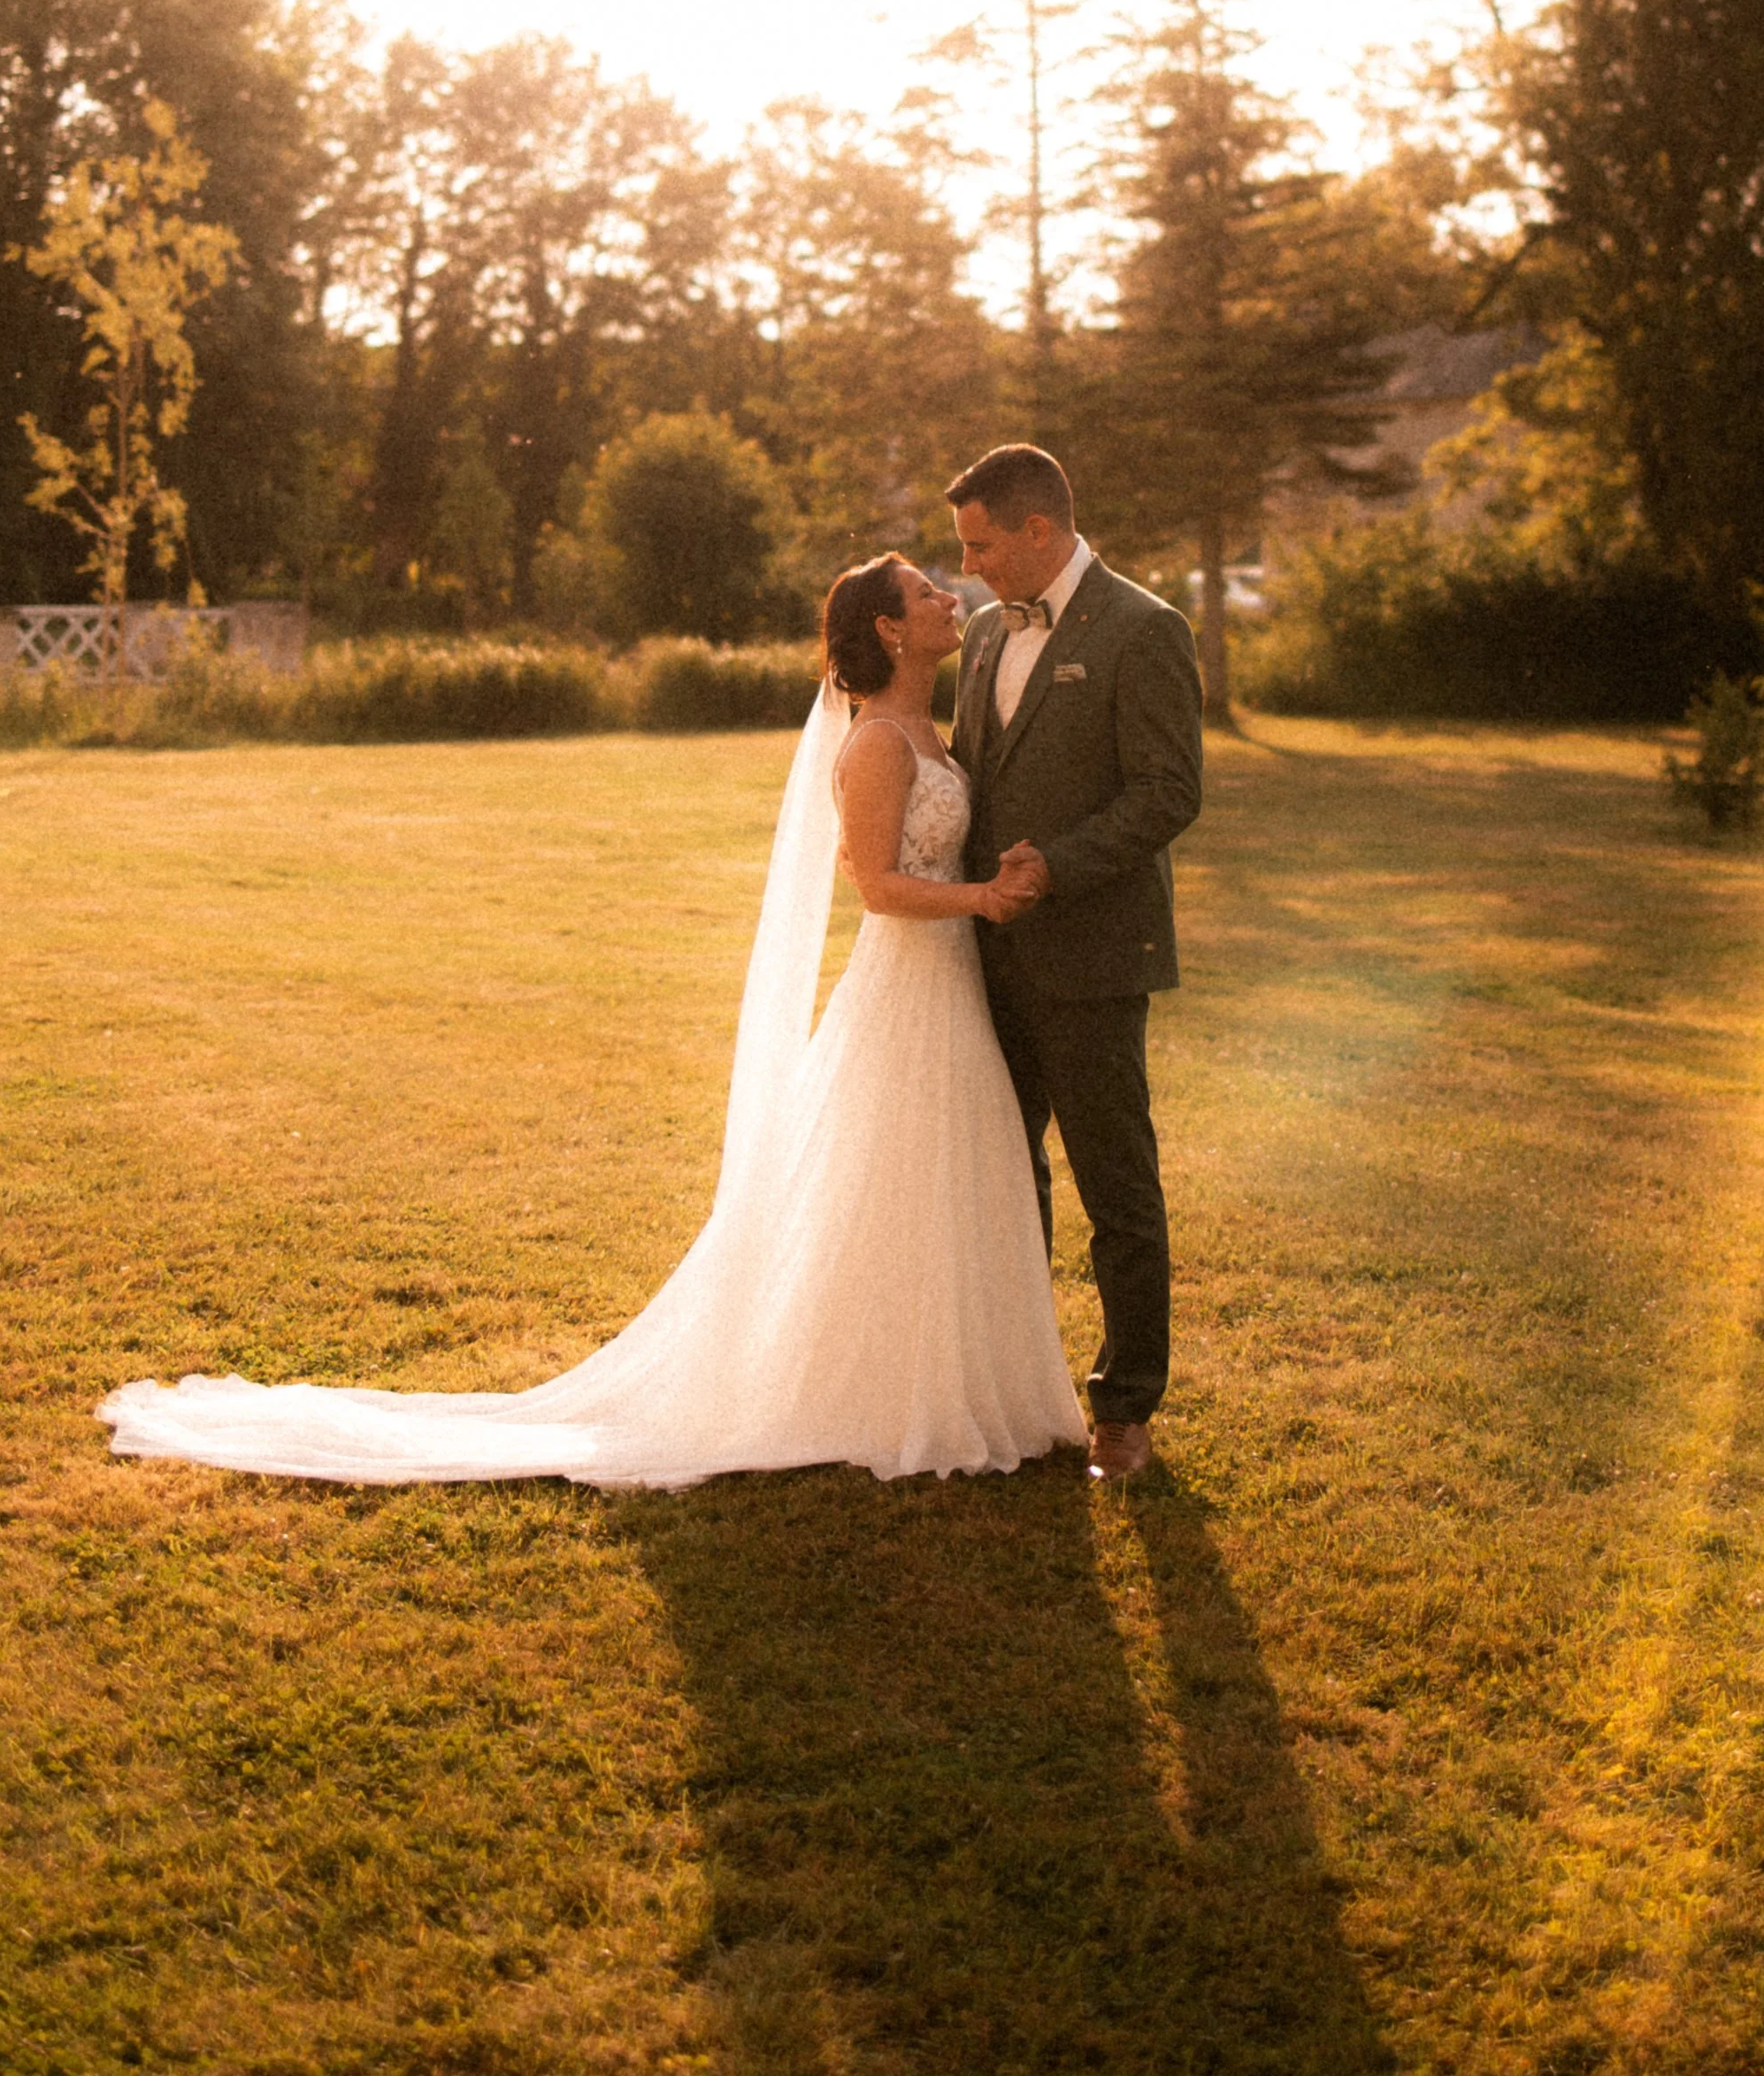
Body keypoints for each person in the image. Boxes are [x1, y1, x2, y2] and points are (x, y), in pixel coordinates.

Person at [98, 555, 1087, 1490]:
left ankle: (949, 1379)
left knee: (938, 1179)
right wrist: (982, 902)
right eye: (927, 593)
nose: (950, 600)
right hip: (904, 990)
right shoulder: (874, 744)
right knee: (887, 1180)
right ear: (889, 628)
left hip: (950, 988)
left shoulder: (928, 737)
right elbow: (873, 887)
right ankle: (887, 1397)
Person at [948, 444, 1205, 1486]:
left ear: (1039, 532)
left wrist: (1055, 866)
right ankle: (1018, 1386)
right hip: (980, 962)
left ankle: (1125, 1407)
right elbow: (971, 779)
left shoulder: (1143, 630)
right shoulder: (977, 634)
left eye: (980, 546)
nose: (968, 569)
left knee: (1117, 1190)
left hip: (1094, 957)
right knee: (1001, 1183)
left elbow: (1167, 792)